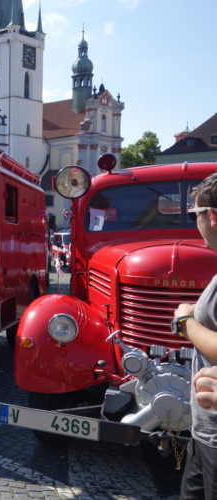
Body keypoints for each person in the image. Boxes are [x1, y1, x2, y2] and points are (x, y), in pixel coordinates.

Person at [174, 172, 217, 499]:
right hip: (205, 430)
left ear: (211, 216)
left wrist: (186, 320)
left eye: (194, 215)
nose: (194, 224)